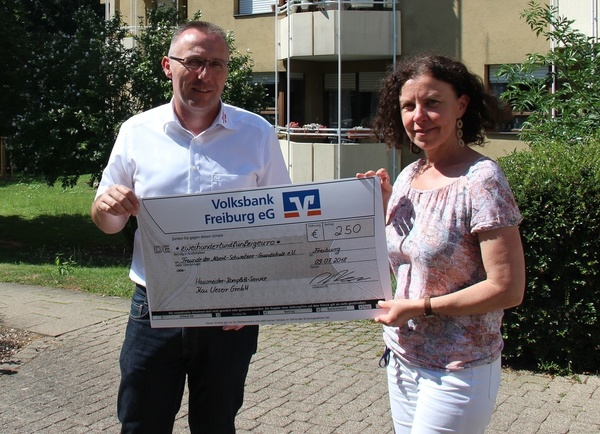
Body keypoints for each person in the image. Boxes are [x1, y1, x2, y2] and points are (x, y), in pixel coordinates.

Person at [91, 21, 291, 433]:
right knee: (141, 422)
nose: (206, 75)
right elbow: (109, 223)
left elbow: (279, 224)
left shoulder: (256, 133)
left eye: (217, 64)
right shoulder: (136, 132)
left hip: (231, 311)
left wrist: (255, 296)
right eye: (195, 62)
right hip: (154, 308)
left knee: (216, 424)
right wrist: (105, 206)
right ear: (168, 66)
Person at [357, 55, 526, 433]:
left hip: (458, 368)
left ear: (461, 105)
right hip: (402, 359)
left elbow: (508, 288)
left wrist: (421, 307)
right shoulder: (408, 176)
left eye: (432, 102)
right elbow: (406, 261)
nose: (419, 116)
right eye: (408, 106)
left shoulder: (481, 180)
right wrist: (380, 208)